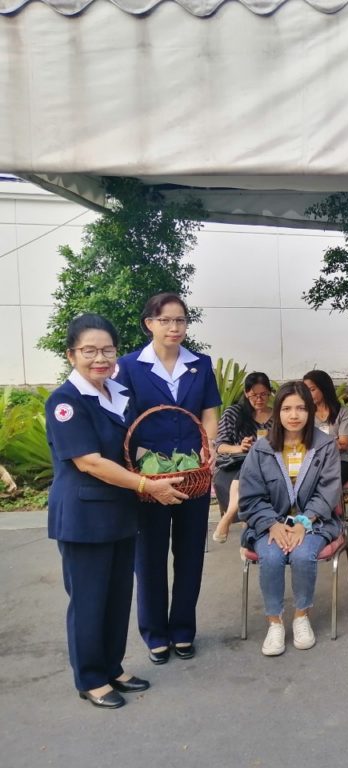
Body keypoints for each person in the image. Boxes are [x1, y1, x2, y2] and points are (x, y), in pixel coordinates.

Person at [46, 314, 187, 709]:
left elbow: (128, 449)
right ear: (71, 355)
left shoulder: (117, 394)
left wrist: (165, 466)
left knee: (117, 597)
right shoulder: (66, 401)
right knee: (89, 600)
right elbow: (90, 462)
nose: (100, 359)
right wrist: (147, 485)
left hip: (121, 514)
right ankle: (91, 678)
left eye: (107, 350)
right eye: (89, 351)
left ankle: (113, 666)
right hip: (84, 518)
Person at [115, 292, 221, 664]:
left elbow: (209, 411)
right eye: (165, 320)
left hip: (193, 473)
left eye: (180, 320)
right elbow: (123, 418)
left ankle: (183, 630)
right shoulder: (129, 366)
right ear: (150, 324)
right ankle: (155, 633)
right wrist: (139, 463)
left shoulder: (200, 364)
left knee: (190, 555)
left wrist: (209, 447)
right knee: (150, 557)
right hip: (149, 476)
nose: (174, 327)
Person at [237, 381, 343, 656]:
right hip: (268, 524)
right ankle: (274, 622)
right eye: (286, 409)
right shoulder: (261, 449)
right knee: (271, 557)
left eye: (300, 408)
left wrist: (303, 523)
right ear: (277, 412)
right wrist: (272, 524)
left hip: (315, 523)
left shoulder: (325, 445)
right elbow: (251, 495)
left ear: (310, 411)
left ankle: (301, 616)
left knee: (302, 555)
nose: (293, 415)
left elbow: (329, 490)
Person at [211, 372, 274, 543]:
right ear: (246, 393)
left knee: (253, 473)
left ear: (270, 393)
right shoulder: (233, 413)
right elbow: (220, 446)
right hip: (234, 465)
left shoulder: (278, 416)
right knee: (249, 474)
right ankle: (246, 538)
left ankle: (230, 516)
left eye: (263, 394)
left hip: (267, 465)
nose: (259, 399)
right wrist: (240, 447)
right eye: (254, 395)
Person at [303, 369, 348, 485]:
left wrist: (317, 445)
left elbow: (344, 444)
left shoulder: (344, 412)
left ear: (324, 388)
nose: (308, 394)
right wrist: (332, 443)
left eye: (312, 390)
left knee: (325, 481)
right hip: (313, 461)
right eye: (305, 391)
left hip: (339, 461)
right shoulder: (305, 414)